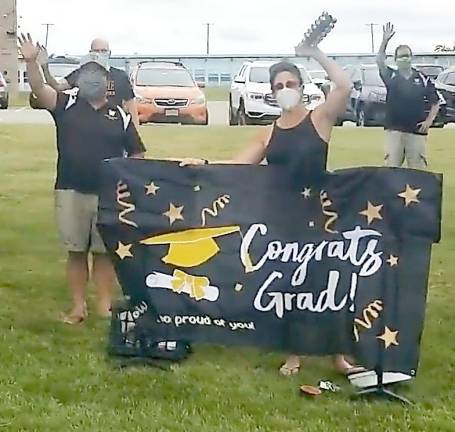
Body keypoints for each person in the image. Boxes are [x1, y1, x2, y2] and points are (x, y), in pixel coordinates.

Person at [180, 39, 363, 376]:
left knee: (328, 283)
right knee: (291, 286)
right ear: (272, 92)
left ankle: (338, 356)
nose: (285, 89)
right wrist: (203, 164)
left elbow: (345, 85)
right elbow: (238, 166)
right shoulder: (268, 133)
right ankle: (294, 353)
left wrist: (315, 53)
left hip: (320, 215)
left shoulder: (319, 119)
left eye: (290, 84)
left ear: (301, 86)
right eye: (278, 86)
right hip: (282, 217)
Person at [18, 33, 146, 324]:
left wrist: (131, 184)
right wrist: (31, 63)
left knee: (103, 253)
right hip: (70, 191)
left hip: (107, 194)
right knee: (76, 251)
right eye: (86, 71)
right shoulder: (66, 104)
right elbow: (39, 88)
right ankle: (78, 307)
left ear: (107, 79)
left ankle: (103, 304)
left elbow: (136, 153)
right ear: (79, 76)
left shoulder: (119, 115)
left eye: (97, 72)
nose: (92, 77)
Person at [377, 22, 441, 169]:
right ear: (395, 59)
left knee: (418, 172)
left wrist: (428, 121)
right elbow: (379, 61)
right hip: (394, 131)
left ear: (411, 57)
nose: (404, 59)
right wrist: (385, 41)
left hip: (416, 132)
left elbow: (436, 102)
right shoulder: (391, 75)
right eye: (400, 56)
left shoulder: (423, 78)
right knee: (391, 170)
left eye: (406, 56)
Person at [37, 38, 139, 129]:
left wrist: (135, 133)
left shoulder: (120, 76)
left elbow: (131, 106)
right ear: (90, 53)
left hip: (113, 128)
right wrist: (45, 68)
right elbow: (57, 86)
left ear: (109, 53)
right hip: (86, 127)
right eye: (96, 51)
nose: (100, 53)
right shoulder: (81, 73)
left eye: (103, 51)